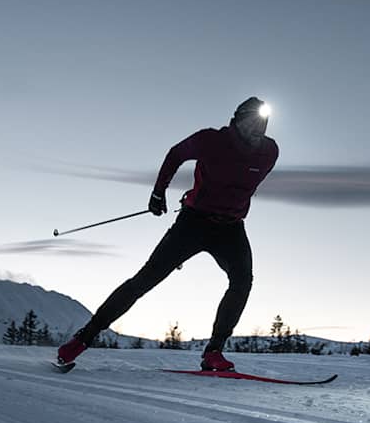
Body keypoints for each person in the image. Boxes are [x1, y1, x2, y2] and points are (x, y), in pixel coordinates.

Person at [57, 97, 278, 371]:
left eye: (264, 123)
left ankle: (214, 352)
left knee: (242, 280)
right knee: (144, 281)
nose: (259, 128)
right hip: (194, 222)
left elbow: (239, 185)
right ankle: (82, 340)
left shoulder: (270, 152)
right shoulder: (210, 140)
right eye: (253, 121)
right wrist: (158, 192)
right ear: (237, 120)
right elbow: (176, 154)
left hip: (231, 228)